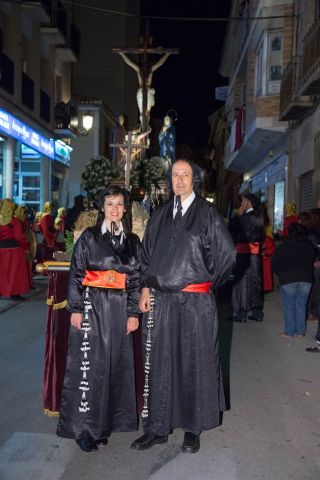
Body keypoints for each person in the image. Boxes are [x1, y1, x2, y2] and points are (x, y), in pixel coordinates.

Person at [131, 159, 236, 454]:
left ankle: (193, 428)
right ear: (170, 180)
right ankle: (157, 428)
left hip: (195, 303)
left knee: (195, 362)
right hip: (161, 302)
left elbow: (226, 255)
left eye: (185, 175)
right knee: (159, 363)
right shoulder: (160, 214)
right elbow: (145, 256)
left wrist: (205, 285)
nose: (179, 180)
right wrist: (144, 287)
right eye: (175, 175)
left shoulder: (208, 214)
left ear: (194, 179)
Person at [57, 185, 141, 453]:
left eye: (119, 204)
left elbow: (136, 279)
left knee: (113, 367)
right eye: (109, 204)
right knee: (89, 369)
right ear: (101, 208)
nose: (114, 209)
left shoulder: (132, 242)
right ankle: (83, 428)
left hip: (118, 310)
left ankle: (103, 425)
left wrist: (132, 312)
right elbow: (76, 272)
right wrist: (76, 308)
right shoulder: (89, 238)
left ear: (125, 209)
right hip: (93, 308)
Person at [272, 223, 316, 338]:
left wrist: (280, 273)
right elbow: (312, 259)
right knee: (301, 305)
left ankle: (290, 332)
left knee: (289, 305)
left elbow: (275, 263)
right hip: (306, 279)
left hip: (288, 278)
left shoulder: (283, 246)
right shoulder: (309, 246)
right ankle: (300, 332)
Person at [228, 193, 264, 322]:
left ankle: (241, 313)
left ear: (249, 201)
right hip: (254, 254)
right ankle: (257, 312)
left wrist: (238, 215)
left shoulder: (245, 217)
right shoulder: (259, 216)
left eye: (243, 201)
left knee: (241, 281)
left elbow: (231, 229)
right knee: (255, 281)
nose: (241, 203)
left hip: (244, 253)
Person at [0, 199, 30, 300]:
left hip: (1, 251)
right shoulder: (15, 221)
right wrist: (27, 246)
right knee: (15, 273)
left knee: (2, 273)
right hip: (14, 251)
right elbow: (19, 237)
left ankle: (2, 291)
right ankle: (15, 294)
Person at [262, 225, 276, 292]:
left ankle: (267, 288)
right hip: (259, 260)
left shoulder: (268, 239)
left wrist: (264, 253)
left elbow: (272, 249)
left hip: (266, 260)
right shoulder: (257, 238)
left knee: (267, 275)